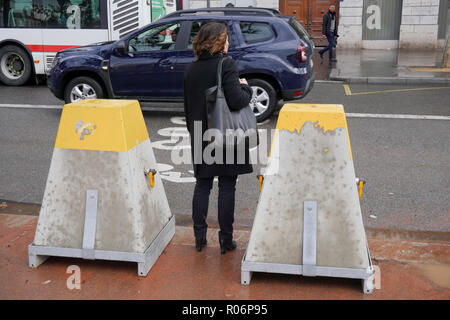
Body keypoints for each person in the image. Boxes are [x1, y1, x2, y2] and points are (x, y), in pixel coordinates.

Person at [183, 22, 253, 254]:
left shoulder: (190, 69)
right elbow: (236, 100)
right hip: (226, 134)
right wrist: (247, 88)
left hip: (201, 133)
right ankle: (225, 240)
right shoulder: (227, 64)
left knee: (202, 185)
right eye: (226, 39)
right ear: (219, 43)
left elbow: (187, 106)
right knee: (227, 186)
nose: (229, 43)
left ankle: (200, 238)